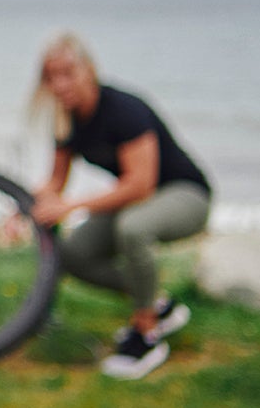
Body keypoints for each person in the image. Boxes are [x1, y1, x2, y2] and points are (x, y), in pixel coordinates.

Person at [29, 32, 212, 380]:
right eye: (50, 77)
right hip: (137, 202)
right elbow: (54, 183)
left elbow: (140, 184)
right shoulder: (66, 121)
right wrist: (26, 208)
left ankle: (146, 335)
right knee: (73, 254)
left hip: (186, 195)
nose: (59, 84)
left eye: (67, 73)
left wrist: (71, 207)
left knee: (134, 227)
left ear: (89, 70)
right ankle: (158, 305)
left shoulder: (123, 109)